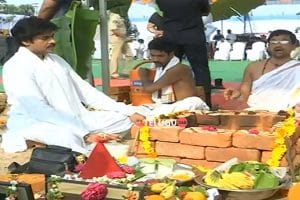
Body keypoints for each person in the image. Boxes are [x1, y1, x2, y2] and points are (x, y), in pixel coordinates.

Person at [1, 17, 145, 154]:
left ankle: (84, 138)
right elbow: (37, 109)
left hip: (74, 117)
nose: (52, 41)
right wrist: (84, 134)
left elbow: (86, 91)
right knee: (68, 137)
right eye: (45, 38)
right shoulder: (16, 66)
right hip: (36, 121)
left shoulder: (56, 60)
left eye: (52, 36)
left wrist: (127, 111)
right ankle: (38, 140)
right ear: (26, 41)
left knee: (122, 121)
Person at [224, 29, 300, 112]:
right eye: (273, 42)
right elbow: (243, 96)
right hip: (255, 114)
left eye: (284, 41)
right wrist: (237, 94)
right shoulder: (253, 67)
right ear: (268, 46)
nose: (278, 45)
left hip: (289, 117)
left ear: (294, 45)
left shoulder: (297, 68)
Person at [155, 0, 212, 107]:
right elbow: (205, 11)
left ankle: (167, 100)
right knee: (201, 69)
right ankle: (205, 101)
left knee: (168, 69)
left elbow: (161, 9)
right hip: (193, 34)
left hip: (171, 35)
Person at [137, 37, 209, 118]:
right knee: (122, 108)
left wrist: (143, 75)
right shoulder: (160, 67)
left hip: (185, 105)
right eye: (153, 55)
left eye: (160, 56)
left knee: (149, 115)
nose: (155, 59)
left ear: (171, 54)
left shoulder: (179, 69)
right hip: (168, 106)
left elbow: (149, 89)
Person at [108, 12, 133, 79]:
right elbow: (114, 30)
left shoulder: (122, 16)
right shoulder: (115, 16)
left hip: (122, 38)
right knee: (115, 56)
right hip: (117, 38)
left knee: (130, 55)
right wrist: (126, 37)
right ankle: (113, 74)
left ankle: (125, 72)